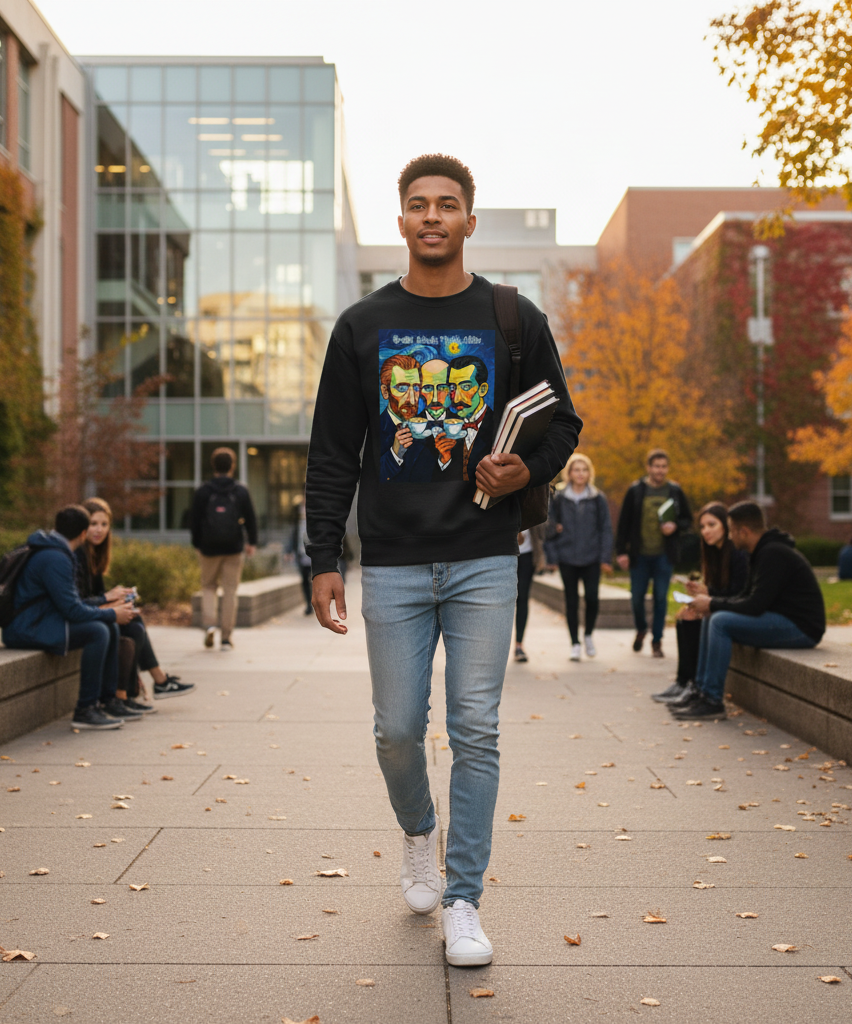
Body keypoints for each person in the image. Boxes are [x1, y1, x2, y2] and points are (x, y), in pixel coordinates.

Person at [304, 153, 581, 967]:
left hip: (485, 558)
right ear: (401, 221)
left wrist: (526, 470)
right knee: (396, 731)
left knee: (475, 730)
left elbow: (564, 424)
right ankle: (418, 831)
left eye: (447, 204)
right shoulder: (361, 325)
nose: (432, 215)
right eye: (419, 204)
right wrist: (324, 556)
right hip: (392, 561)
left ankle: (464, 898)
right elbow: (332, 453)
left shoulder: (512, 316)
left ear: (469, 220)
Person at [675, 501, 826, 720]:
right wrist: (711, 602)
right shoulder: (762, 552)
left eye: (732, 531)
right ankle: (702, 692)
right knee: (712, 617)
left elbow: (755, 605)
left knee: (719, 621)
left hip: (802, 628)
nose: (730, 537)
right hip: (781, 619)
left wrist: (712, 603)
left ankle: (712, 701)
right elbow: (745, 596)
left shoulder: (773, 554)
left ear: (743, 531)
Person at [2, 505, 141, 730]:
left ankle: (107, 701)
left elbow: (72, 604)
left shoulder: (54, 551)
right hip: (27, 628)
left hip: (38, 621)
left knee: (108, 626)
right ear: (83, 534)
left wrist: (107, 606)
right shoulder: (55, 558)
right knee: (98, 631)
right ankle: (85, 710)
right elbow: (73, 611)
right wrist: (111, 613)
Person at [77, 497, 194, 703]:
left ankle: (133, 691)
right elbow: (80, 601)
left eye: (104, 524)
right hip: (82, 618)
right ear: (83, 526)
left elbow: (96, 595)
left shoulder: (95, 554)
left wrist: (120, 599)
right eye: (93, 523)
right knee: (134, 626)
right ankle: (144, 687)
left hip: (93, 612)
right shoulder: (79, 555)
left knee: (135, 623)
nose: (99, 530)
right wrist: (109, 601)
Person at [652, 502, 748, 704]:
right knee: (685, 614)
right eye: (703, 527)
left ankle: (694, 684)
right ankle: (683, 681)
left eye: (712, 525)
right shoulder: (713, 552)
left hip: (739, 609)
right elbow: (720, 589)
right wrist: (702, 590)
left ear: (726, 525)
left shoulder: (737, 553)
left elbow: (739, 592)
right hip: (724, 605)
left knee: (693, 615)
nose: (706, 531)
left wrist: (708, 594)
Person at [614, 449, 693, 658]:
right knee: (636, 597)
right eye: (656, 466)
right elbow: (623, 523)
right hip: (639, 555)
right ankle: (641, 629)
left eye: (664, 466)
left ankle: (657, 641)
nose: (660, 470)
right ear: (648, 468)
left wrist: (675, 526)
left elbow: (687, 520)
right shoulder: (636, 490)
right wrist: (621, 552)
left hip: (664, 556)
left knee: (660, 598)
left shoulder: (674, 491)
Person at [544, 453, 614, 661]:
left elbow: (606, 529)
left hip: (591, 557)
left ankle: (588, 635)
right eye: (576, 470)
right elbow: (549, 527)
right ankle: (575, 643)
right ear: (570, 473)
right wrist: (552, 557)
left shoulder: (597, 498)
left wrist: (605, 557)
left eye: (584, 470)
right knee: (571, 602)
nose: (580, 474)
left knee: (592, 598)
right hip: (567, 557)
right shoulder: (559, 497)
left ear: (589, 473)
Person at [190, 447, 259, 650]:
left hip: (208, 548)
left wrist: (197, 544)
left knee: (208, 587)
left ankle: (210, 625)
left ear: (213, 466)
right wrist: (252, 542)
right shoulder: (240, 490)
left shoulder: (203, 491)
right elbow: (251, 518)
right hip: (233, 547)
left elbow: (194, 521)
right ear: (232, 466)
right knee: (230, 591)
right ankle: (226, 638)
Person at [514, 523, 546, 663]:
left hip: (527, 555)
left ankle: (519, 645)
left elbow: (543, 527)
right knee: (502, 600)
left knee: (522, 597)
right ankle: (497, 646)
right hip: (505, 554)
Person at [286, 497, 313, 614]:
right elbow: (293, 535)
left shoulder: (315, 518)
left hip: (314, 555)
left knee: (316, 580)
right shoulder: (297, 519)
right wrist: (288, 551)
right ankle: (308, 604)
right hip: (301, 554)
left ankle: (317, 602)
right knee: (305, 580)